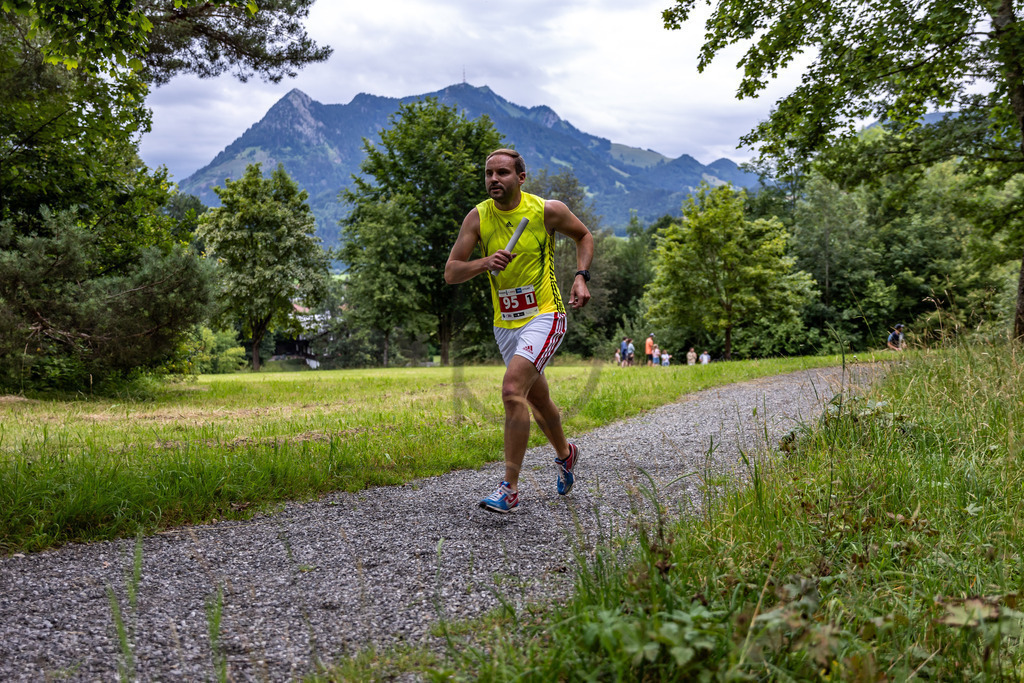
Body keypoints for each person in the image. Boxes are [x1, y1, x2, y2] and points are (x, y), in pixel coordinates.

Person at [444, 148, 594, 513]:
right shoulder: (477, 218)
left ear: (520, 178)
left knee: (512, 391)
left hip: (546, 314)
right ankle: (566, 453)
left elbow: (584, 236)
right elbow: (451, 272)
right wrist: (484, 262)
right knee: (536, 398)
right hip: (505, 324)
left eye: (503, 173)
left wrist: (580, 277)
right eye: (488, 173)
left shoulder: (546, 211)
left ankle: (509, 488)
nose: (494, 179)